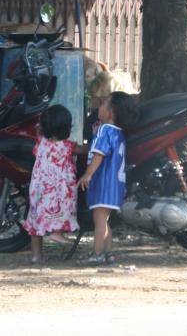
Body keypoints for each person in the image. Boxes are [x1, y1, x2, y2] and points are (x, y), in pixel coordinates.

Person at [78, 91, 139, 265]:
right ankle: (108, 253)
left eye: (104, 103)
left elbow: (99, 154)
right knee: (104, 221)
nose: (100, 106)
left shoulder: (105, 129)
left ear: (111, 112)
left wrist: (88, 174)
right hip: (115, 186)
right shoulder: (117, 132)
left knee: (99, 221)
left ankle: (96, 254)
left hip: (104, 183)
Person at [23, 105, 79, 264]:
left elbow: (37, 130)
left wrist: (41, 127)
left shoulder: (40, 143)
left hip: (38, 190)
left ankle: (36, 256)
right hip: (58, 189)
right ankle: (56, 231)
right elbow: (87, 150)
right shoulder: (69, 146)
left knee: (35, 222)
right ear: (66, 128)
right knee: (62, 208)